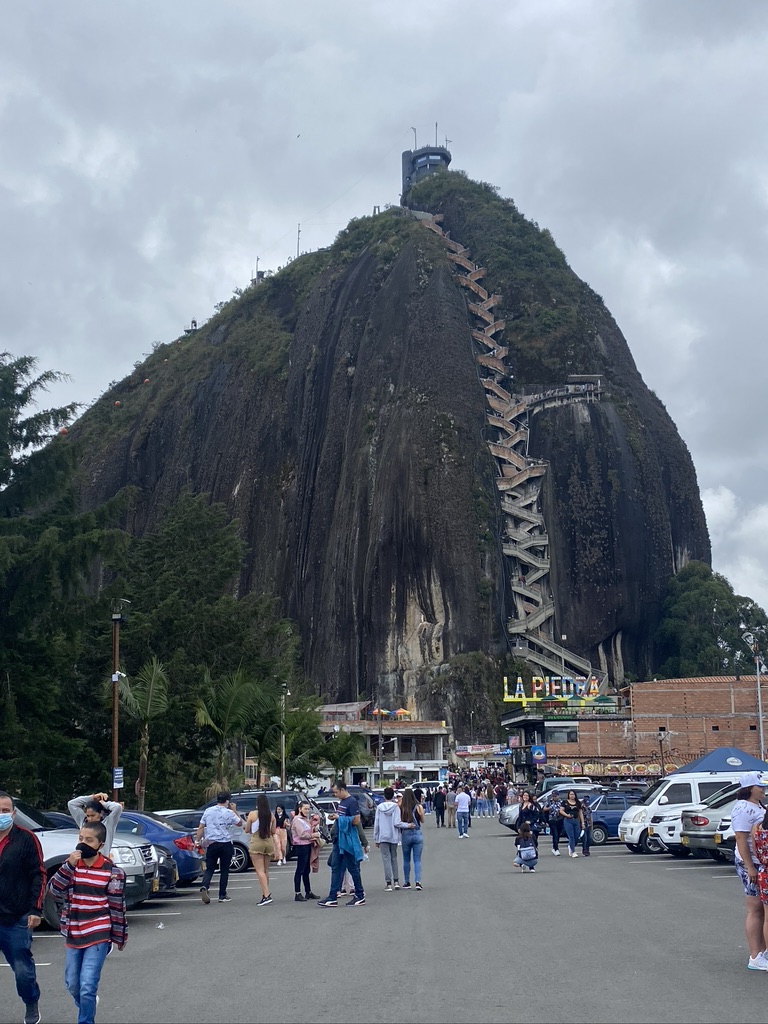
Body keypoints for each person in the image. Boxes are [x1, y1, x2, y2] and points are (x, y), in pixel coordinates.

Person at [48, 820, 127, 1024]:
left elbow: (117, 906)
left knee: (87, 986)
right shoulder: (71, 866)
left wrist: (119, 936)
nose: (82, 844)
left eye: (89, 840)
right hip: (73, 930)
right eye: (81, 838)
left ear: (100, 845)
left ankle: (85, 1019)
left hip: (99, 930)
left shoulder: (112, 871)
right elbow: (54, 890)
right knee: (72, 984)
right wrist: (68, 866)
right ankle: (87, 1003)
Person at [0, 790, 45, 1024]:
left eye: (5, 811)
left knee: (22, 970)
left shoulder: (26, 839)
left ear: (13, 813)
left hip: (16, 917)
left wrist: (35, 910)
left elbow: (38, 874)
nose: (1, 815)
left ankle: (31, 1002)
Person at [732, 772, 768, 970]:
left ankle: (763, 952)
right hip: (752, 863)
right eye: (759, 786)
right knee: (755, 908)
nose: (762, 789)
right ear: (749, 789)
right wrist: (750, 866)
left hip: (762, 862)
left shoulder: (758, 806)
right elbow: (740, 838)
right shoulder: (743, 808)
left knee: (763, 910)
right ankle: (755, 955)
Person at [318, 781, 365, 907]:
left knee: (352, 868)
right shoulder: (342, 802)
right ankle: (332, 896)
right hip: (338, 839)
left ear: (343, 790)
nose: (335, 795)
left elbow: (356, 820)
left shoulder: (352, 802)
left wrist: (340, 819)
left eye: (336, 792)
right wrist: (336, 817)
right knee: (335, 867)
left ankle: (359, 895)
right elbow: (342, 816)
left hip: (347, 840)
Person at [194, 791, 243, 904]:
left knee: (210, 867)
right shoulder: (229, 812)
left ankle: (205, 886)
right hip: (225, 843)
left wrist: (197, 841)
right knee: (224, 869)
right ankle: (222, 894)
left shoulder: (208, 811)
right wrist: (234, 810)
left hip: (212, 843)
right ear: (227, 801)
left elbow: (201, 827)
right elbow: (240, 823)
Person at [67, 792, 123, 856]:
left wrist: (103, 803)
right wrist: (92, 797)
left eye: (93, 815)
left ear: (101, 813)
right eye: (88, 816)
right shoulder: (83, 821)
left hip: (101, 861)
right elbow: (71, 804)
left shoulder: (108, 823)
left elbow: (118, 807)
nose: (90, 819)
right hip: (83, 859)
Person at [245, 794, 275, 906]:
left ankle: (266, 895)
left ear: (257, 803)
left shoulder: (253, 814)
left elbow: (247, 829)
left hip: (257, 841)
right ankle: (265, 893)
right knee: (266, 870)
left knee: (259, 871)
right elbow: (273, 831)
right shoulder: (271, 815)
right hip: (268, 841)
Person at [373, 787, 401, 890]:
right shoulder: (396, 807)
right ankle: (396, 881)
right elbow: (397, 822)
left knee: (386, 859)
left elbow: (376, 824)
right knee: (394, 858)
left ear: (384, 796)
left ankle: (388, 883)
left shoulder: (379, 807)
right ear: (393, 795)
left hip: (383, 836)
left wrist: (376, 838)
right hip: (393, 835)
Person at [290, 801, 319, 902]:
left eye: (308, 809)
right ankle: (297, 893)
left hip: (307, 845)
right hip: (301, 846)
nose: (307, 811)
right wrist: (313, 836)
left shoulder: (305, 819)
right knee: (300, 869)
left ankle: (308, 891)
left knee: (306, 870)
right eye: (305, 809)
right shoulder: (297, 820)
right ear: (300, 809)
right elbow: (301, 834)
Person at [396, 789, 425, 890]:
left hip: (406, 833)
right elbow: (422, 820)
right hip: (417, 833)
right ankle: (418, 882)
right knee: (417, 860)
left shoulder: (401, 808)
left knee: (406, 859)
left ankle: (407, 882)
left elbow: (399, 821)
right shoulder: (418, 806)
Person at [559, 790, 584, 858]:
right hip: (568, 820)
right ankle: (573, 851)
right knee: (571, 836)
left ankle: (571, 846)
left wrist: (582, 822)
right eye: (570, 794)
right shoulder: (565, 802)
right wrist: (567, 815)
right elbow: (561, 810)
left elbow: (580, 813)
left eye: (573, 794)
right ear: (568, 795)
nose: (572, 796)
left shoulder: (578, 803)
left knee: (577, 836)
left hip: (576, 820)